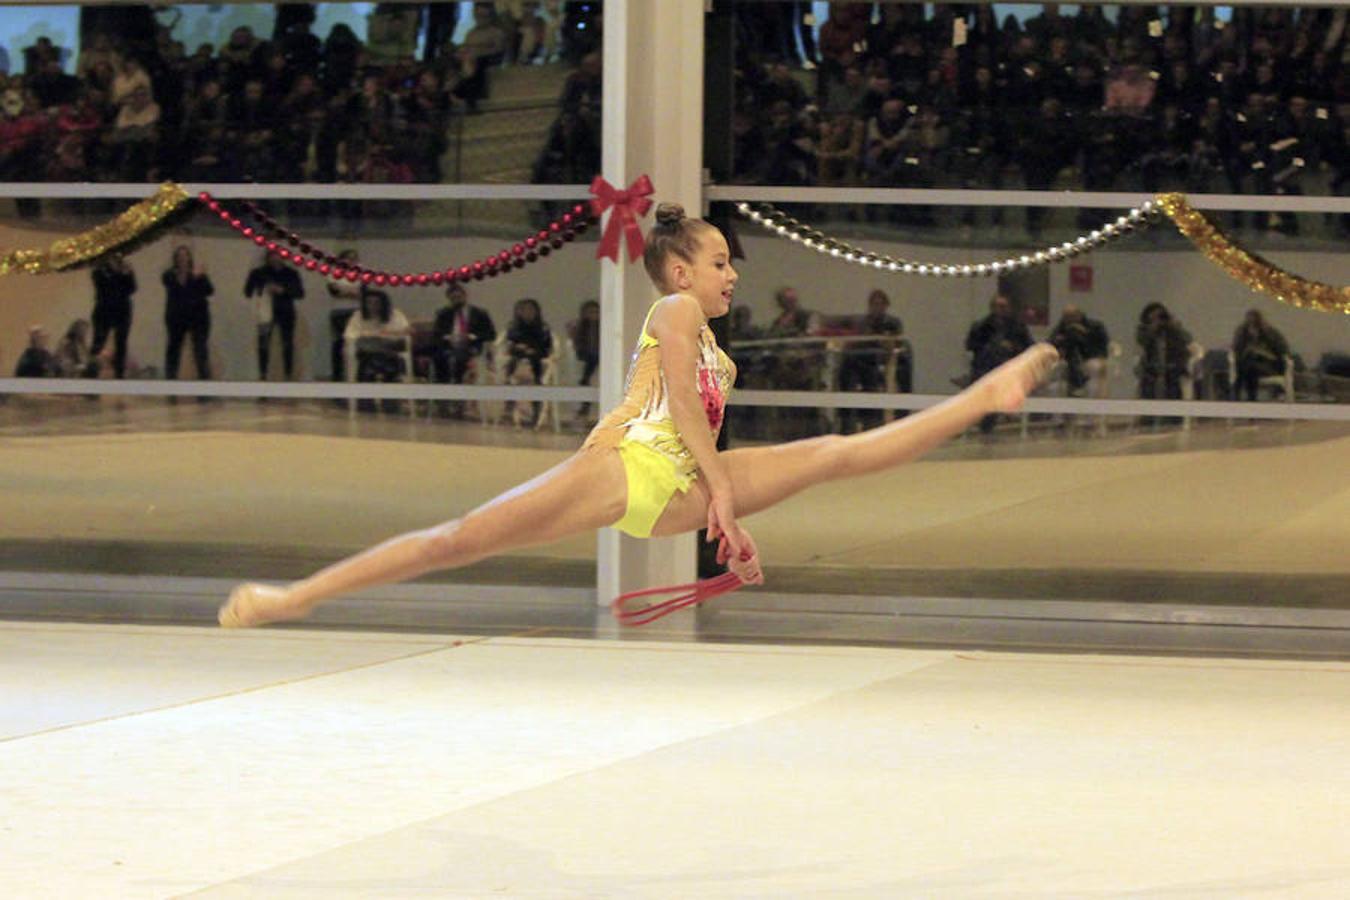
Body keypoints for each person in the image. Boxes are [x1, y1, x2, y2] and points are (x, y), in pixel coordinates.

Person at [219, 203, 1060, 628]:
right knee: (459, 538)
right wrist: (725, 500)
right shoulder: (673, 313)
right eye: (721, 261)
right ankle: (294, 598)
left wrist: (722, 498)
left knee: (836, 451)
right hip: (631, 464)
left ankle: (982, 397)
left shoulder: (705, 334)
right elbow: (690, 413)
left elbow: (702, 417)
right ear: (679, 271)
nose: (733, 276)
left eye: (732, 263)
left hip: (679, 483)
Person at [837, 289, 905, 434]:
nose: (876, 307)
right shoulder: (862, 322)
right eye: (873, 304)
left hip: (878, 362)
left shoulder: (893, 322)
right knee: (846, 372)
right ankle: (846, 425)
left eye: (880, 304)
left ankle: (872, 425)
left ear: (886, 305)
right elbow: (857, 341)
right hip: (859, 360)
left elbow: (893, 344)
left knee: (871, 384)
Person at [966, 293, 1033, 434]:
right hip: (986, 366)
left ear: (1009, 308)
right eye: (996, 306)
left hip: (1011, 366)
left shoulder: (1018, 327)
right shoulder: (981, 326)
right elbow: (971, 345)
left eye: (1003, 307)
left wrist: (1013, 347)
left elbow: (1029, 348)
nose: (999, 310)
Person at [344, 290, 411, 413]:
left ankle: (381, 401)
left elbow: (405, 332)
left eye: (376, 303)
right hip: (367, 350)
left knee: (380, 357)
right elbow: (350, 335)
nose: (372, 306)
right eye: (369, 302)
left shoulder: (396, 315)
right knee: (371, 354)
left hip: (390, 348)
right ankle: (375, 401)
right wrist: (371, 335)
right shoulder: (357, 317)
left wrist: (385, 336)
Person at [243, 249, 305, 381]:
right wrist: (261, 287)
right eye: (273, 256)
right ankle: (263, 376)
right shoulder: (259, 272)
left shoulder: (291, 273)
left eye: (279, 256)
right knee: (263, 346)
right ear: (267, 257)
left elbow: (300, 293)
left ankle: (288, 377)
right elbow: (247, 292)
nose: (276, 259)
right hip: (264, 313)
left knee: (287, 345)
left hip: (286, 312)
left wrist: (282, 290)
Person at [161, 245, 214, 383]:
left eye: (185, 256)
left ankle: (205, 389)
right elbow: (169, 284)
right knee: (173, 351)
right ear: (176, 259)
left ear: (189, 258)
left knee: (200, 352)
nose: (182, 259)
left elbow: (209, 291)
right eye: (179, 256)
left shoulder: (198, 274)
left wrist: (200, 277)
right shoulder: (169, 275)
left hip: (198, 318)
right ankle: (171, 386)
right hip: (176, 319)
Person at [432, 282, 496, 389]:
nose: (456, 300)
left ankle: (459, 386)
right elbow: (437, 333)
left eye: (458, 297)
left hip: (472, 345)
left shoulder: (480, 313)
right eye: (453, 298)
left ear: (465, 296)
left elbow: (491, 334)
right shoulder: (443, 314)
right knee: (438, 358)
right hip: (450, 345)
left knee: (460, 358)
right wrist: (448, 337)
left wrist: (472, 336)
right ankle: (443, 387)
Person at [1135, 301, 1193, 403]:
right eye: (1155, 316)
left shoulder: (1173, 330)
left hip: (1173, 375)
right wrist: (1153, 327)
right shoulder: (1144, 330)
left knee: (1173, 409)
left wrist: (1175, 326)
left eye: (1161, 316)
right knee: (1149, 407)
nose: (1160, 320)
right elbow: (1142, 341)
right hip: (1150, 375)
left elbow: (1188, 339)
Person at [90, 253, 135, 379]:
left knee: (121, 344)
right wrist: (120, 275)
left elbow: (132, 288)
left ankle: (119, 377)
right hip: (104, 310)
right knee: (98, 342)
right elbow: (106, 287)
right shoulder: (99, 270)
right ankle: (91, 376)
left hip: (122, 311)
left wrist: (127, 273)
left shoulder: (125, 269)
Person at [1048, 305, 1110, 395]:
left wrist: (1084, 336)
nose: (1069, 320)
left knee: (1094, 368)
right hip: (1068, 357)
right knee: (1056, 370)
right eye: (1067, 317)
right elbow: (1051, 343)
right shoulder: (1061, 328)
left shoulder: (1095, 327)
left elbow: (1101, 345)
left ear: (1079, 315)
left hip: (1090, 356)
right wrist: (1061, 340)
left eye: (1072, 317)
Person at [1232, 309, 1291, 401]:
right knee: (1248, 368)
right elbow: (1237, 352)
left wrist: (1263, 353)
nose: (1252, 331)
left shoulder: (1272, 335)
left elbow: (1282, 352)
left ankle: (1245, 397)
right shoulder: (1242, 335)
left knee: (1248, 369)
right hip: (1248, 366)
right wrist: (1247, 350)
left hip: (1269, 366)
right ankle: (1248, 398)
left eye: (1254, 326)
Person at [326, 249, 362, 382]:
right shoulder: (334, 274)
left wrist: (346, 291)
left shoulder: (360, 274)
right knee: (340, 342)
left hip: (356, 311)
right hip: (339, 312)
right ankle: (337, 376)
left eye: (354, 258)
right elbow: (335, 291)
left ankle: (355, 376)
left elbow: (363, 293)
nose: (352, 261)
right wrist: (351, 292)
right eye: (349, 258)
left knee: (355, 343)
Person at [567, 298, 600, 421]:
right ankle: (584, 407)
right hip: (584, 355)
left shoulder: (603, 327)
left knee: (589, 373)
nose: (593, 315)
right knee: (589, 369)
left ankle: (585, 407)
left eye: (595, 312)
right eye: (590, 312)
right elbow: (576, 343)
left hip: (598, 357)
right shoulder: (581, 327)